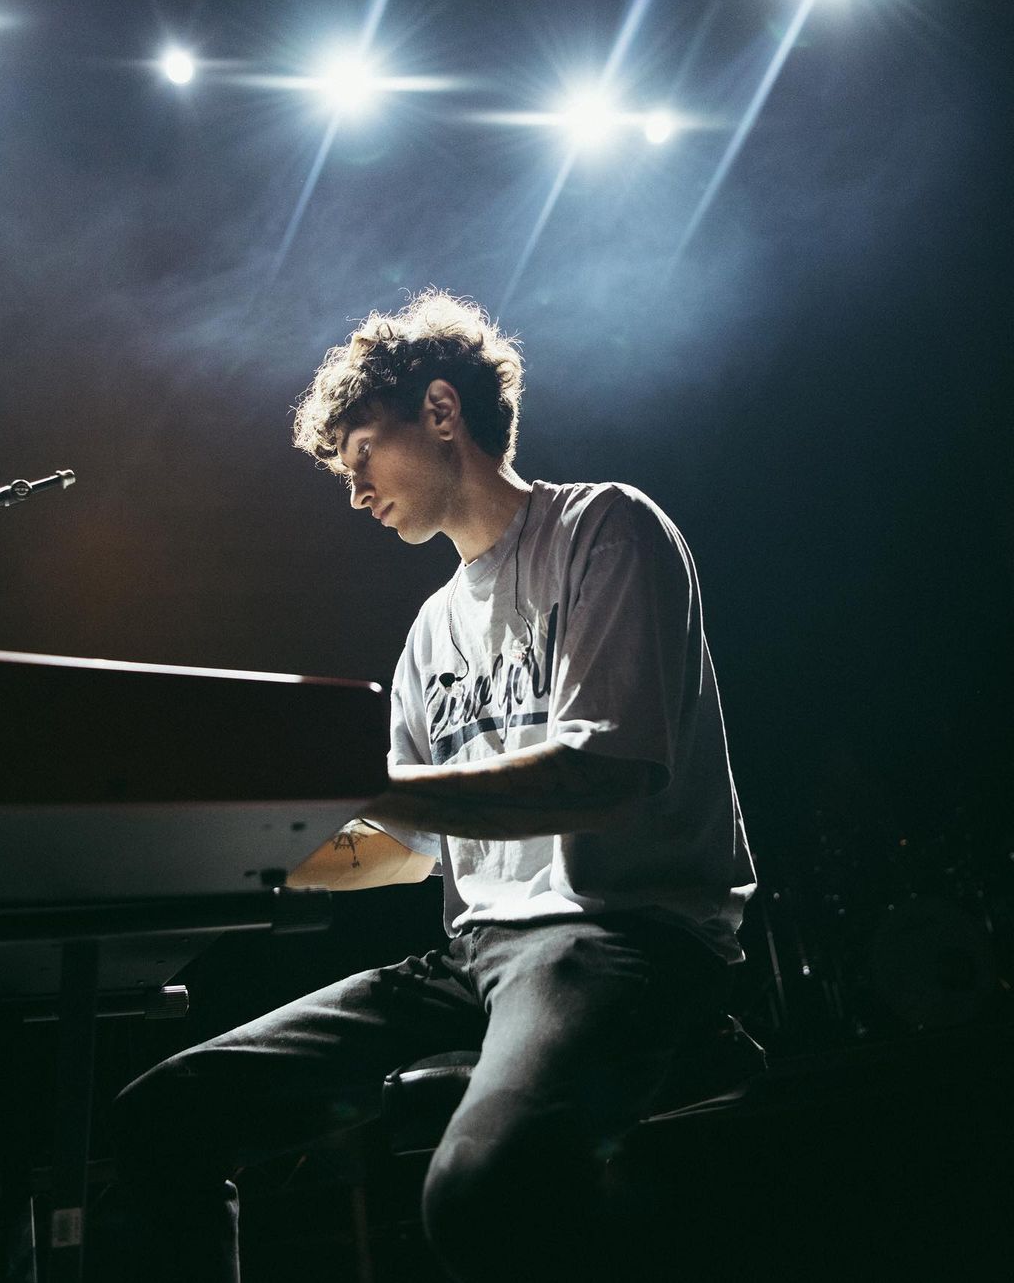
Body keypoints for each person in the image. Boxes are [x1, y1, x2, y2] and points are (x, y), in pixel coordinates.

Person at [112, 291, 756, 1282]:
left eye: (362, 453)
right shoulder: (429, 631)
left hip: (625, 935)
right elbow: (406, 848)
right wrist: (252, 859)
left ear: (442, 411)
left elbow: (599, 780)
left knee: (481, 1189)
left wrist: (355, 779)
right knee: (163, 1116)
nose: (355, 492)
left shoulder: (606, 529)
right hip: (474, 956)